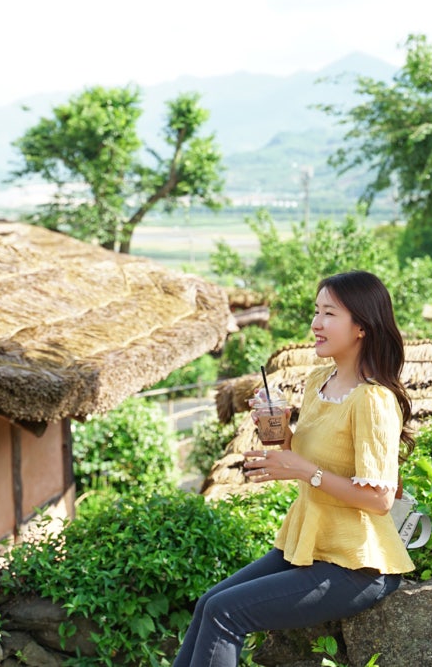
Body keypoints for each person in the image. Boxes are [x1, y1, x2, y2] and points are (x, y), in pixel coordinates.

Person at [173, 270, 416, 667]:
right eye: (315, 312)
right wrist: (280, 432)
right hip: (308, 544)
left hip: (357, 564)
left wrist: (305, 471)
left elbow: (379, 499)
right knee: (208, 604)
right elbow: (308, 453)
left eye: (329, 314)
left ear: (361, 327)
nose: (315, 324)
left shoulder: (373, 400)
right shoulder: (321, 379)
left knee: (226, 614)